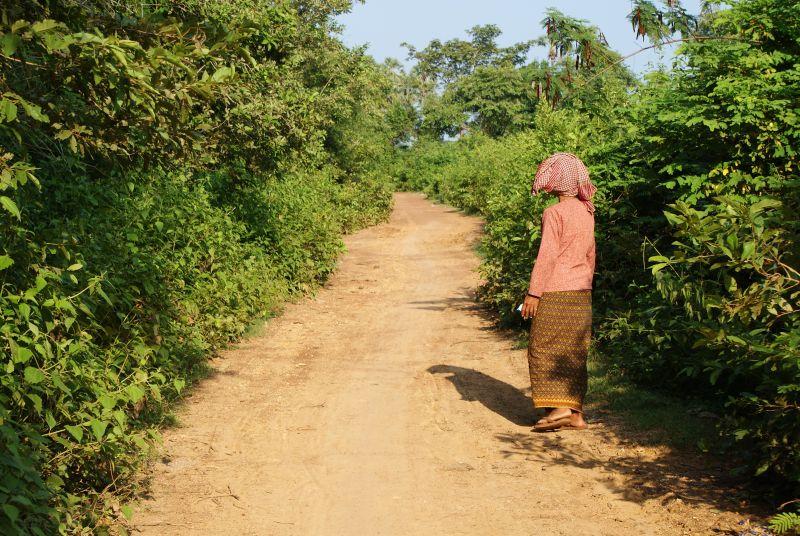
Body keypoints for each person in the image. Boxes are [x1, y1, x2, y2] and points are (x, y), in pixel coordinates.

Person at [520, 152, 596, 432]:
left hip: (555, 291)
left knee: (542, 348)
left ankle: (561, 410)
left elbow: (547, 255)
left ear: (557, 180)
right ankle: (574, 415)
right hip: (581, 292)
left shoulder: (553, 213)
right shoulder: (588, 211)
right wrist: (586, 284)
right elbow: (591, 256)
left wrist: (533, 293)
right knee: (574, 351)